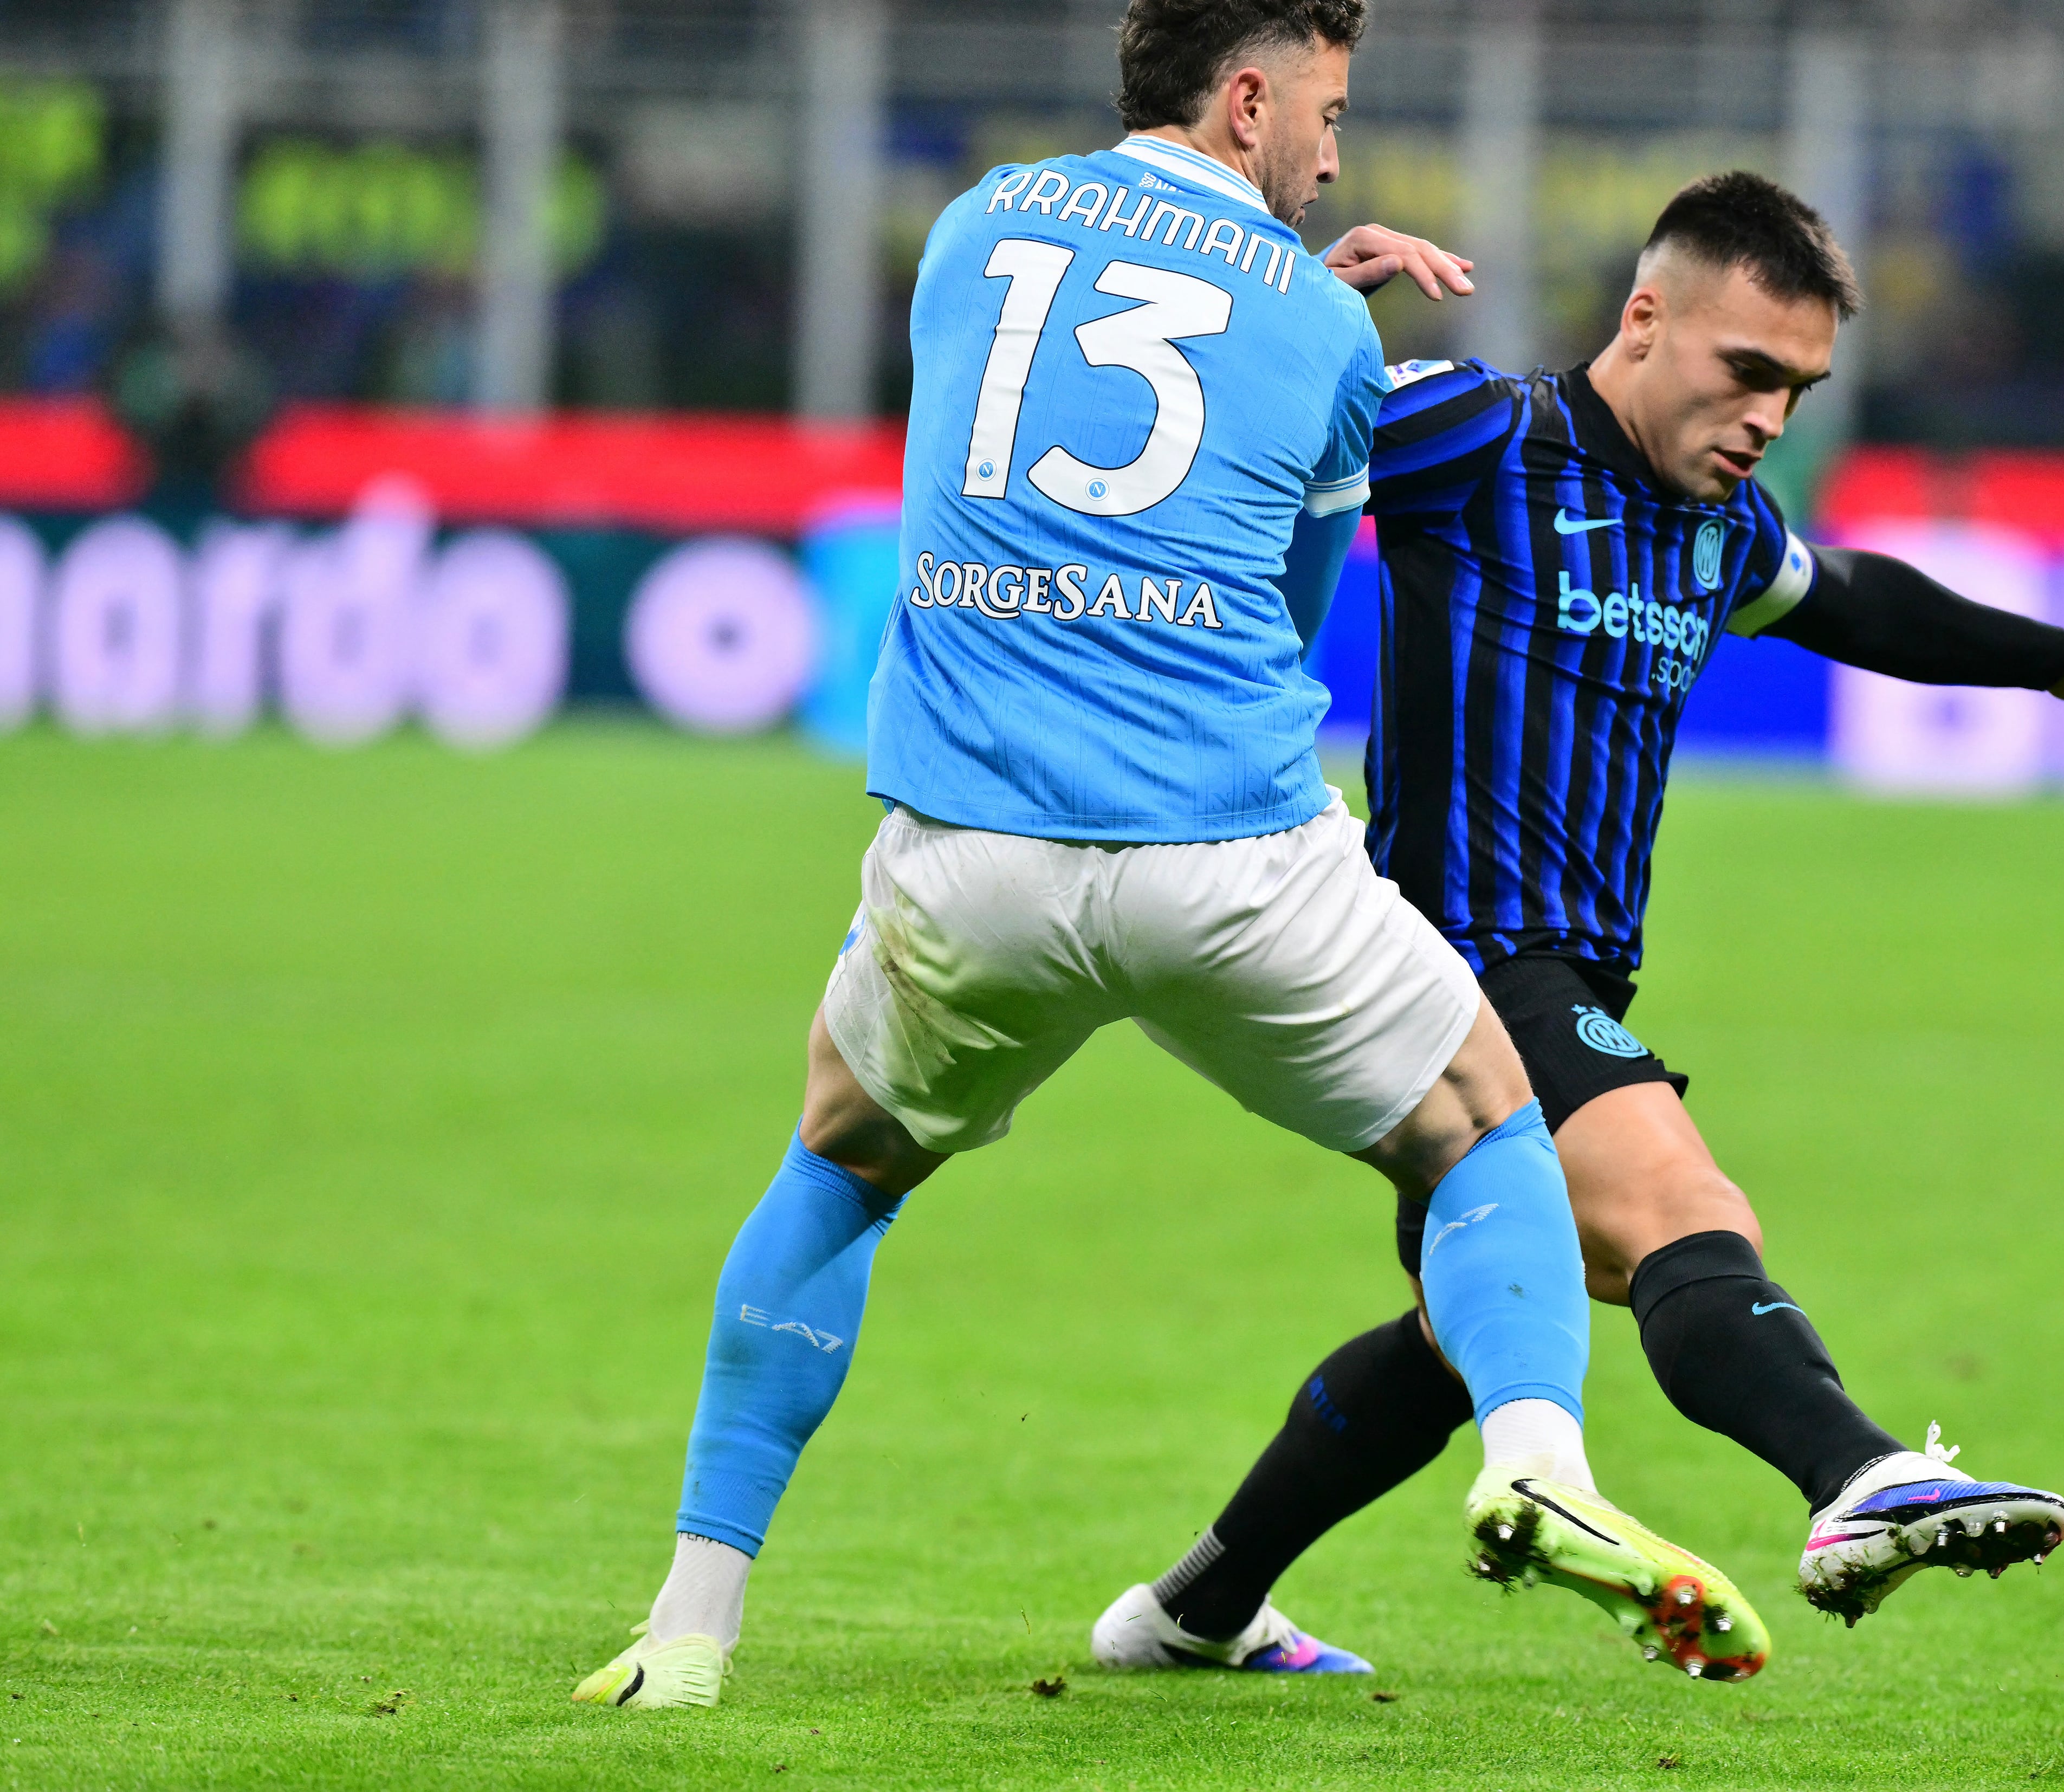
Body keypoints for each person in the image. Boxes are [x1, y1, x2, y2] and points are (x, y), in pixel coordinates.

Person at [573, 3, 1771, 1712]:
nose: (1335, 154)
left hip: (967, 857)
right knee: (1488, 1123)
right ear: (1250, 97)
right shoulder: (1318, 324)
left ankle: (688, 1633)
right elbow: (1288, 621)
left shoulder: (976, 224)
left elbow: (1009, 446)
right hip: (1223, 858)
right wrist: (1313, 322)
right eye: (1330, 113)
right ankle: (1534, 1458)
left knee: (836, 1168)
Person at [1093, 171, 2064, 1673]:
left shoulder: (1715, 526)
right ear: (1644, 318)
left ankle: (1190, 1610)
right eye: (1745, 372)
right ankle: (1860, 1476)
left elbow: (1849, 600)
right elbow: (1240, 453)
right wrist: (1304, 305)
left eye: (1800, 387)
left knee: (1458, 1338)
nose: (1769, 415)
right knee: (1679, 1210)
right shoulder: (1479, 432)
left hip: (1561, 969)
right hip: (1445, 958)